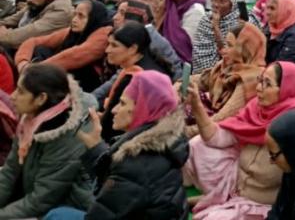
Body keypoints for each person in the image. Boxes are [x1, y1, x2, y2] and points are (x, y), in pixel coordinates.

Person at [185, 61, 295, 220]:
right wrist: (196, 105)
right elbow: (216, 137)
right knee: (197, 144)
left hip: (266, 205)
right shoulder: (257, 107)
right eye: (260, 80)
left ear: (286, 90)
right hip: (239, 181)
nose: (258, 88)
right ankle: (223, 197)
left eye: (267, 84)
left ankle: (223, 201)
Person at [48, 70, 189, 220]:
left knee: (57, 215)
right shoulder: (162, 142)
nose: (114, 110)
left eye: (122, 103)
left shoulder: (136, 162)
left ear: (141, 109)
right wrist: (95, 146)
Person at [0, 63, 93, 219]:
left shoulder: (67, 135)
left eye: (21, 92)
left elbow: (43, 198)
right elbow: (10, 171)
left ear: (41, 98)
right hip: (34, 196)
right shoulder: (29, 120)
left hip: (62, 209)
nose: (12, 96)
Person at [15, 0, 112, 92]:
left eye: (81, 16)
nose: (74, 20)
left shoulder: (103, 34)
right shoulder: (73, 31)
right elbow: (33, 41)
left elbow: (75, 56)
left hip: (87, 84)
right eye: (74, 15)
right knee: (41, 49)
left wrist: (35, 71)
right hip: (56, 73)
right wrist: (22, 63)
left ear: (93, 18)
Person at [0, 0, 74, 50]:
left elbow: (28, 33)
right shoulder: (38, 4)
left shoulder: (61, 12)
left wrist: (4, 34)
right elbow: (12, 19)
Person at [190, 0, 243, 74]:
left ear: (232, 5)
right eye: (214, 0)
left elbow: (228, 55)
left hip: (228, 73)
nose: (216, 5)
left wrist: (215, 26)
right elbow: (198, 51)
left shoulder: (240, 23)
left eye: (222, 1)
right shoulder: (206, 19)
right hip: (201, 73)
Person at [158, 0, 206, 64]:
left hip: (183, 60)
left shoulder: (196, 10)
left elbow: (184, 43)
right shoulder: (171, 2)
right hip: (167, 53)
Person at [265, 0, 295, 70]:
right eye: (267, 8)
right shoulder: (272, 26)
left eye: (272, 8)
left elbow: (279, 68)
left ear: (286, 10)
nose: (267, 12)